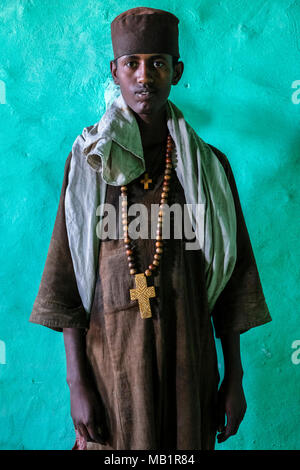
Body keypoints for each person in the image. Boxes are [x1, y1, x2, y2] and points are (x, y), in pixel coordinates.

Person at [29, 7, 272, 450]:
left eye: (158, 63)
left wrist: (235, 379)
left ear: (176, 71)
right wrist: (76, 384)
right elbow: (67, 281)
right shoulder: (90, 165)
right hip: (110, 377)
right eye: (132, 64)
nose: (145, 76)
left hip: (190, 373)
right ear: (115, 72)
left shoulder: (208, 169)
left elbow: (233, 286)